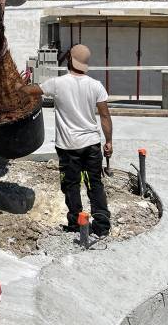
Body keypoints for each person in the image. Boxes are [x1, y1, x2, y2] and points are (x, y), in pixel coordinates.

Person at [25, 44, 113, 237]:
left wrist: (16, 87)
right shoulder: (96, 85)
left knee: (71, 185)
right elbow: (105, 116)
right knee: (95, 184)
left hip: (68, 146)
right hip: (91, 144)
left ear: (68, 61)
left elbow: (31, 91)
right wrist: (109, 142)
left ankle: (75, 223)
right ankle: (102, 225)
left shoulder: (57, 83)